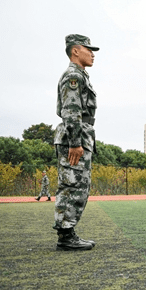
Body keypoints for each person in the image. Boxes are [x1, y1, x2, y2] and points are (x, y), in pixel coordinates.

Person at [53, 34, 99, 251]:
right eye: (88, 49)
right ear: (75, 51)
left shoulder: (81, 76)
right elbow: (71, 111)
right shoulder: (74, 76)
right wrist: (75, 143)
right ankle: (65, 235)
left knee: (79, 185)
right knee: (72, 185)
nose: (92, 53)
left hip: (81, 135)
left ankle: (68, 232)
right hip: (75, 138)